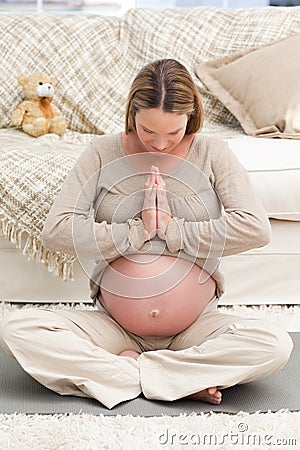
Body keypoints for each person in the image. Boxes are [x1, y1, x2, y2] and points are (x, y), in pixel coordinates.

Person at [0, 59, 293, 409]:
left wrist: (171, 230)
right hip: (116, 329)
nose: (160, 143)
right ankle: (179, 379)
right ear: (132, 114)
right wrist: (136, 232)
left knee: (274, 344)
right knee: (19, 329)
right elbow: (57, 231)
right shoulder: (101, 153)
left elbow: (254, 228)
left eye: (173, 133)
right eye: (147, 131)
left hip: (194, 329)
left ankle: (130, 372)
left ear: (191, 117)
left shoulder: (212, 153)